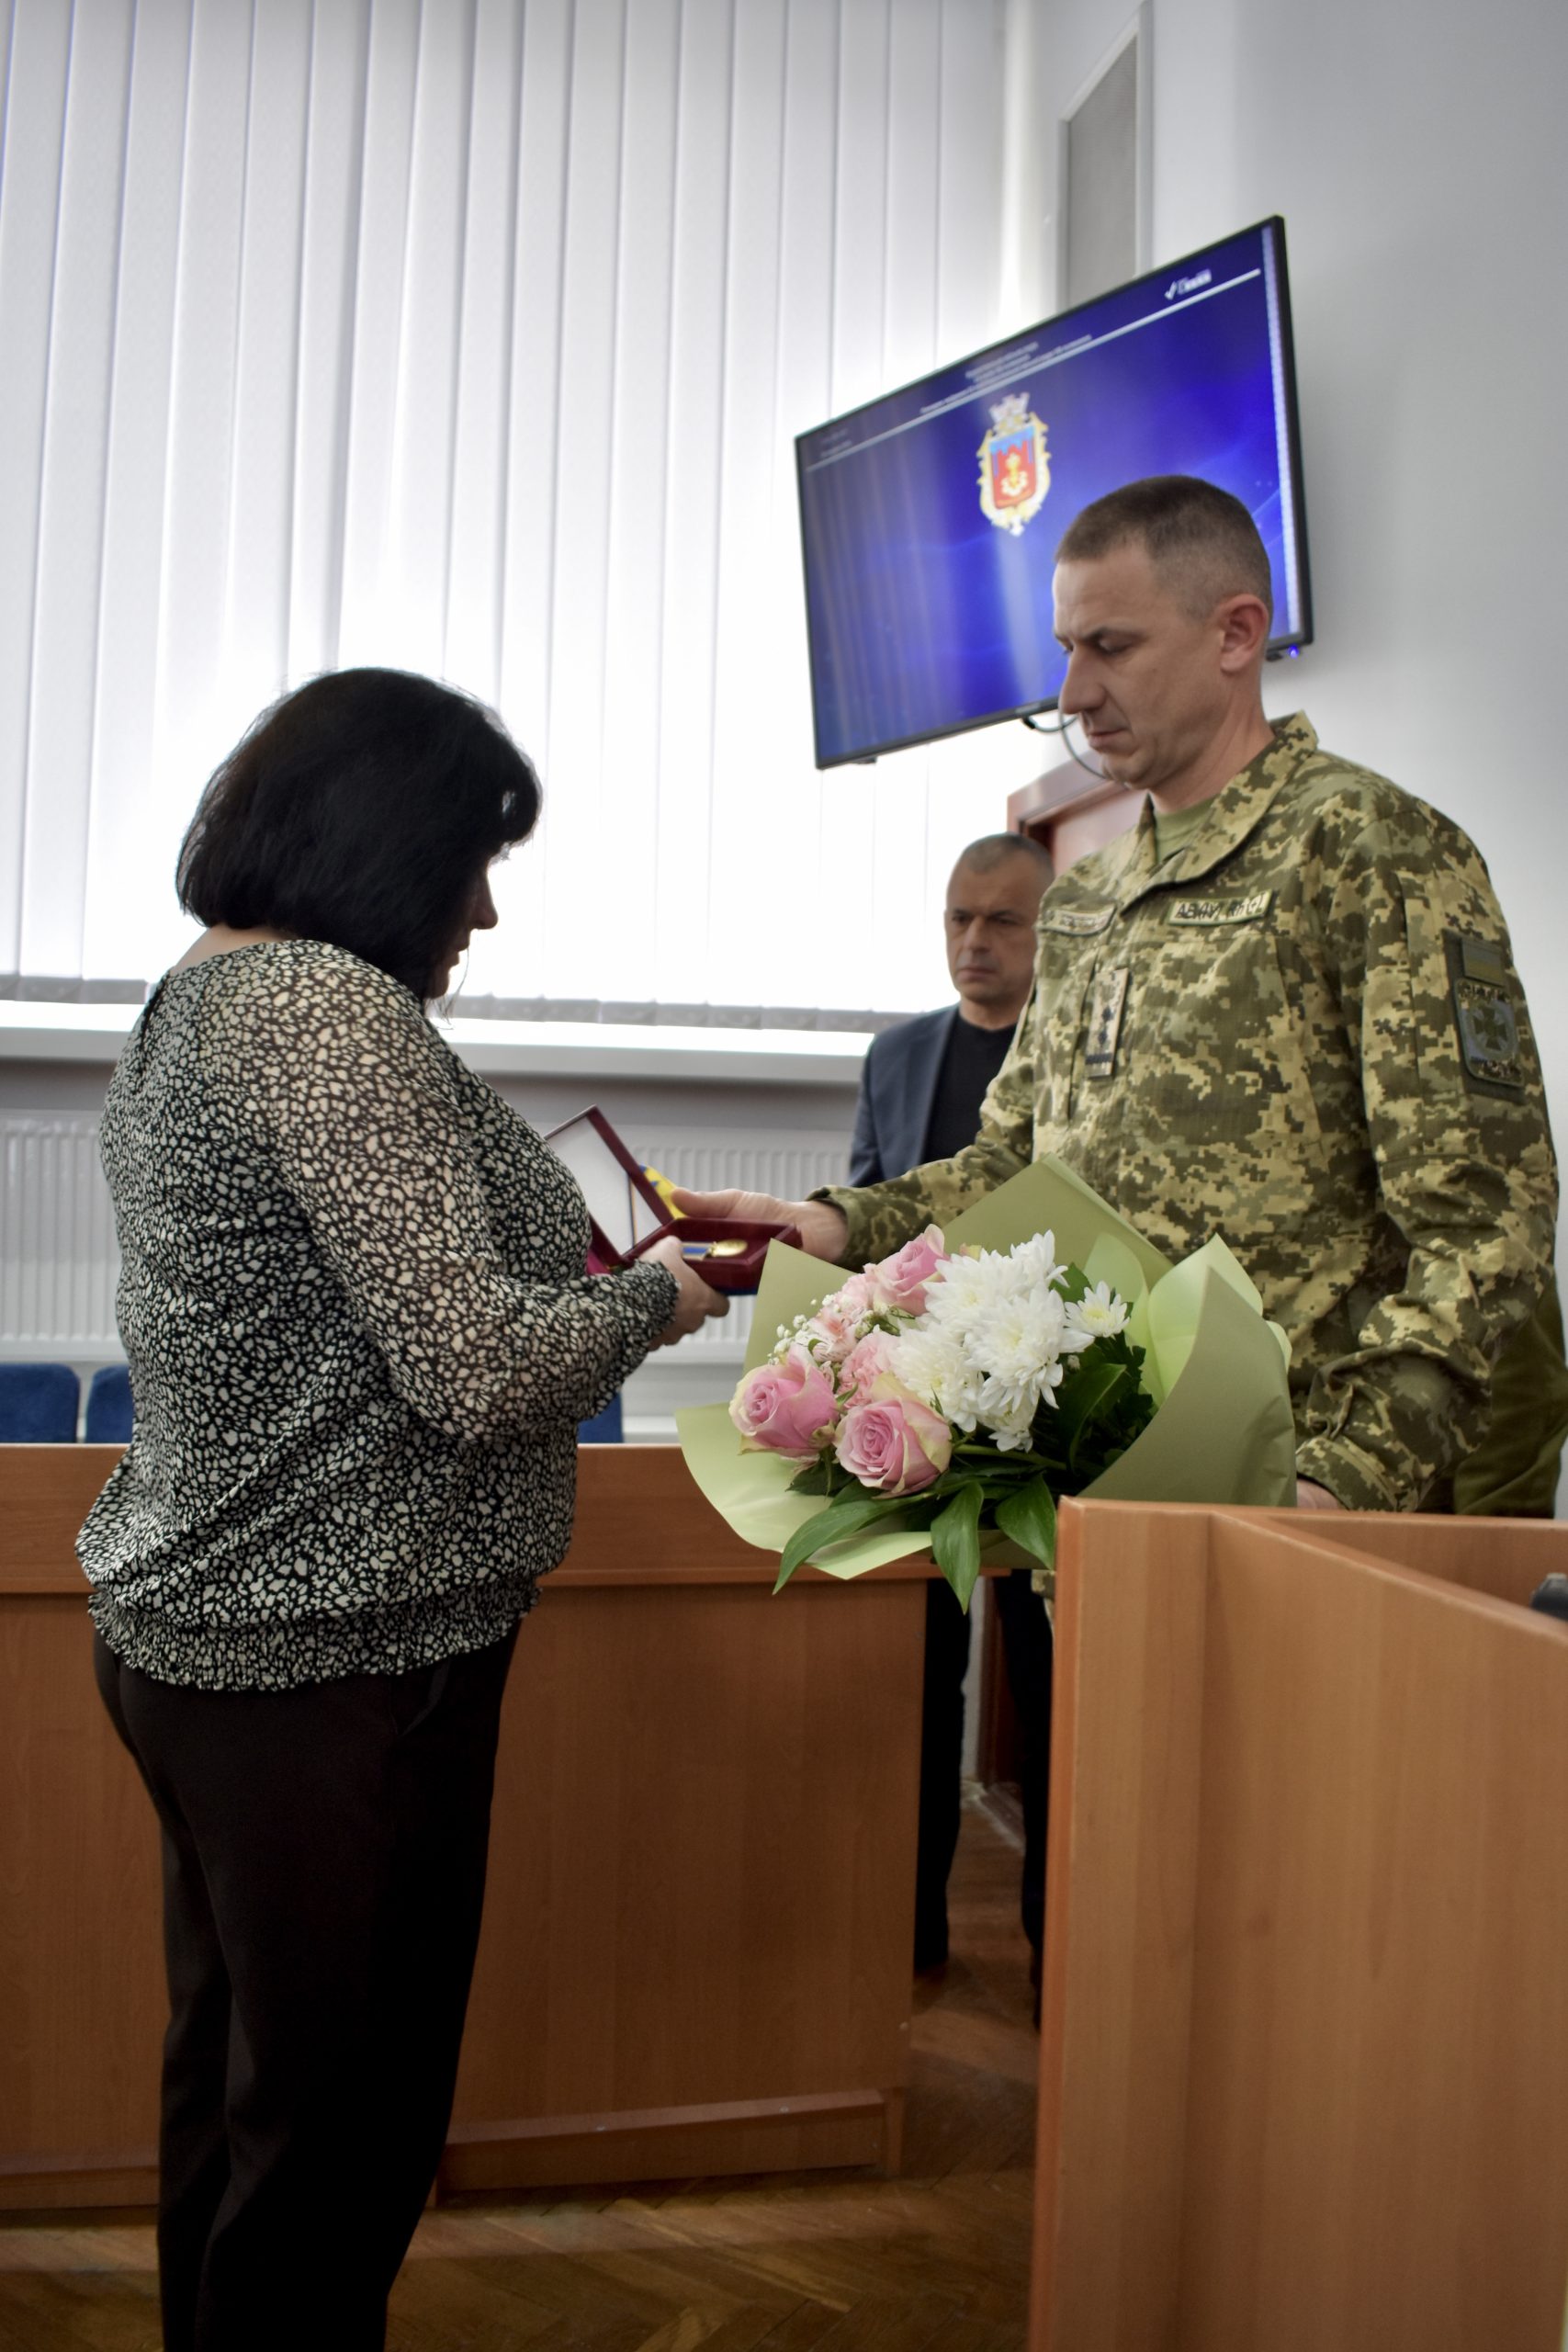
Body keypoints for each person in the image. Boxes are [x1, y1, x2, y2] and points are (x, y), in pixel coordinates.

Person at [78, 669, 728, 2352]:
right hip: (331, 1666)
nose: (484, 910)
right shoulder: (323, 1013)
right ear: (387, 842)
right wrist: (660, 1302)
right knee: (338, 2140)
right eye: (471, 862)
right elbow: (475, 1371)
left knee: (246, 2107)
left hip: (223, 1646)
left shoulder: (202, 995)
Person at [679, 473, 1560, 1535]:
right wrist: (842, 1221)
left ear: (1236, 632)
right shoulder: (1087, 896)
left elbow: (1484, 1223)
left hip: (1309, 1502)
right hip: (1105, 1482)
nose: (1073, 692)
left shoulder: (1368, 849)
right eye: (1066, 647)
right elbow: (1012, 1167)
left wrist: (1346, 1475)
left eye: (1112, 646)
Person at [851, 834, 1055, 1978]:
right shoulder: (896, 1056)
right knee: (917, 1673)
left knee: (1046, 1681)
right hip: (916, 1419)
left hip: (1041, 1418)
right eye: (958, 919)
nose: (974, 943)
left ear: (1048, 933)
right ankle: (909, 1936)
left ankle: (1051, 1946)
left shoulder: (1074, 1059)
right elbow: (870, 1230)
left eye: (1003, 923)